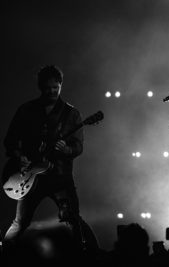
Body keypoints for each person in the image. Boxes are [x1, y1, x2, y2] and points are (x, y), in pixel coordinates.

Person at [1, 65, 98, 257]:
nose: (52, 91)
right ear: (40, 87)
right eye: (47, 88)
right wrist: (20, 156)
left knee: (73, 219)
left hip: (60, 177)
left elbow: (78, 147)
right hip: (30, 177)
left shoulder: (72, 114)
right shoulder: (27, 110)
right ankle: (4, 254)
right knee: (20, 222)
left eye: (56, 87)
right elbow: (10, 140)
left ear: (61, 85)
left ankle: (92, 256)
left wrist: (67, 149)